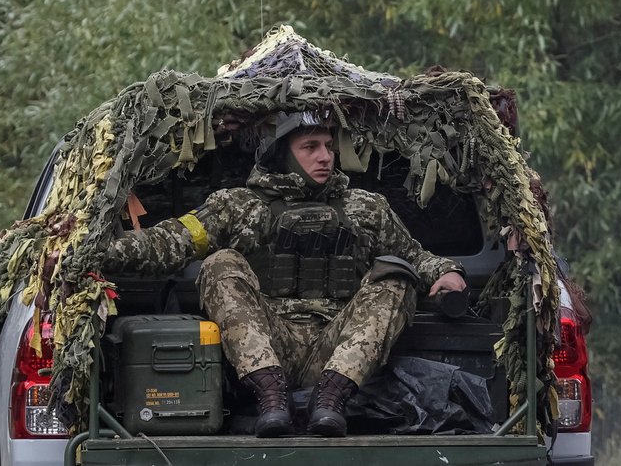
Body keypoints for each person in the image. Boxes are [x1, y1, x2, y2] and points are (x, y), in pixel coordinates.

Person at [103, 111, 467, 437]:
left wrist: (446, 272)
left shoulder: (366, 209)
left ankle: (329, 401)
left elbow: (414, 256)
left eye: (328, 145)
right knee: (221, 262)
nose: (325, 156)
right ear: (281, 153)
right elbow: (170, 243)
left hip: (337, 350)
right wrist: (97, 252)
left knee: (396, 277)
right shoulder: (237, 206)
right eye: (310, 146)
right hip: (269, 348)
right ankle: (272, 398)